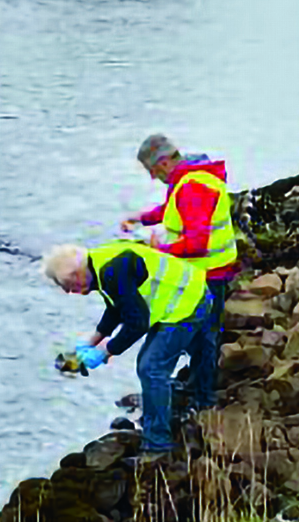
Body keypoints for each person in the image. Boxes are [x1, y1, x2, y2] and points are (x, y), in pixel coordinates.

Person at [40, 240, 209, 458]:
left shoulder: (112, 273)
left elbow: (137, 323)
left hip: (189, 302)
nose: (69, 293)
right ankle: (189, 401)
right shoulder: (97, 264)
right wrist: (89, 343)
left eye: (67, 287)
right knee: (154, 366)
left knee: (151, 368)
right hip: (181, 295)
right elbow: (116, 307)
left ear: (76, 275)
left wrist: (104, 353)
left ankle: (158, 446)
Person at [120, 134, 238, 415]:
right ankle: (198, 385)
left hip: (208, 274)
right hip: (213, 270)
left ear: (162, 162)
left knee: (204, 336)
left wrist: (159, 249)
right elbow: (176, 211)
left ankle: (204, 399)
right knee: (202, 334)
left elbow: (197, 244)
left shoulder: (191, 187)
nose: (152, 177)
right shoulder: (190, 177)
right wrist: (143, 218)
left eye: (152, 171)